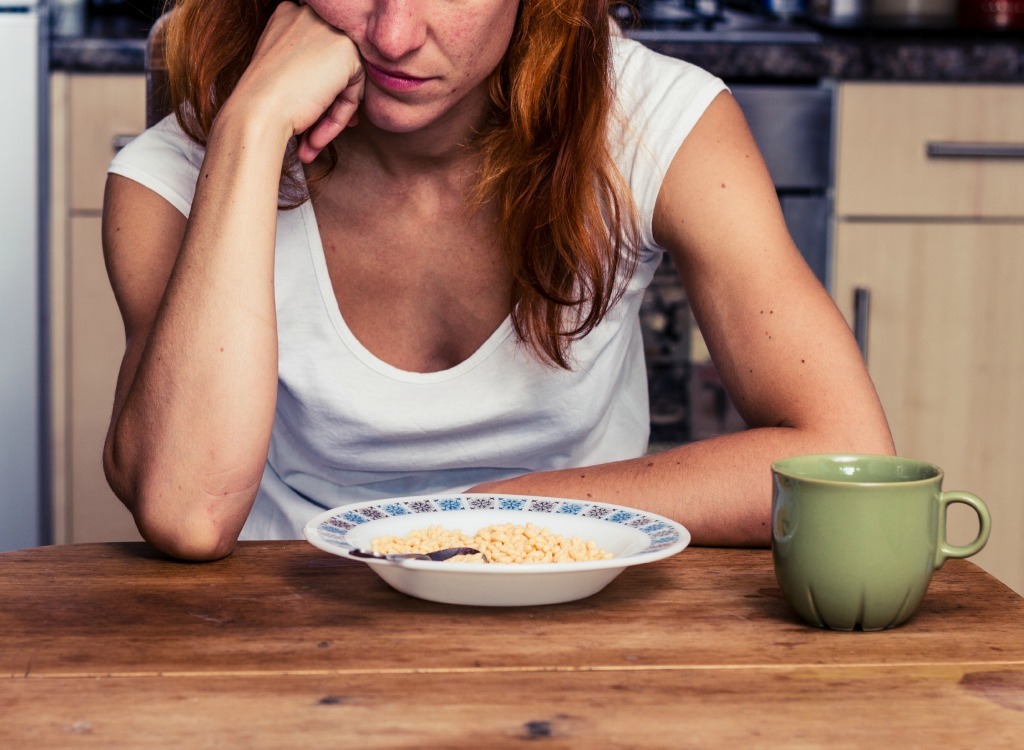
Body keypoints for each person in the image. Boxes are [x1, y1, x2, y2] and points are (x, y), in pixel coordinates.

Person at [101, 0, 894, 562]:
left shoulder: (653, 118)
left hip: (570, 590)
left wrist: (485, 518)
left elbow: (843, 452)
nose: (395, 34)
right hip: (284, 616)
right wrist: (250, 127)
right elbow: (187, 515)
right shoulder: (169, 177)